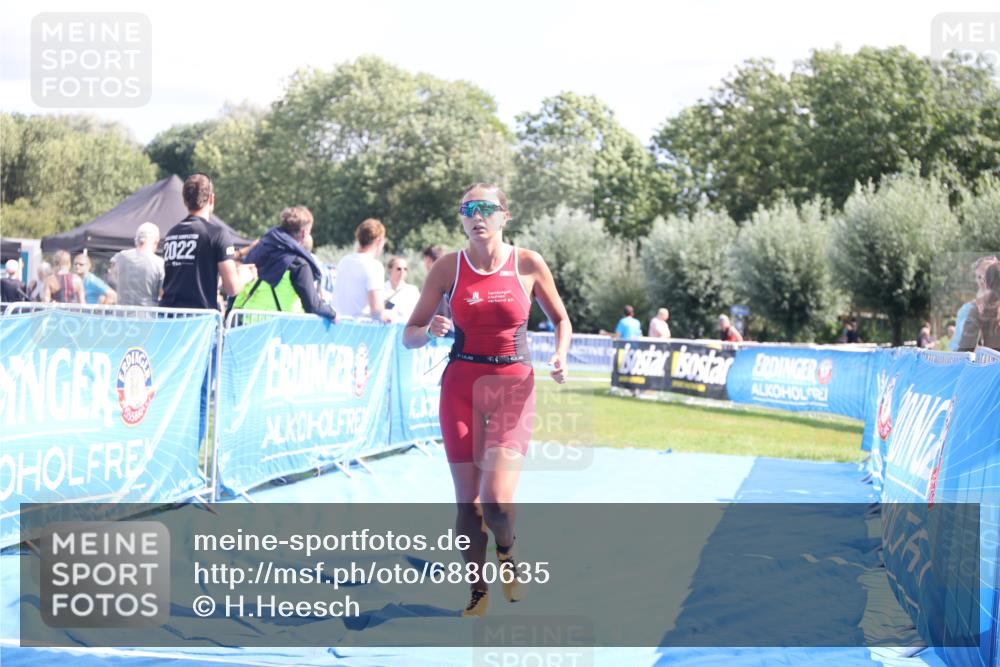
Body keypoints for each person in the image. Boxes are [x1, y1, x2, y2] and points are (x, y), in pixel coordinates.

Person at [402, 183, 571, 617]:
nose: (478, 217)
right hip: (461, 387)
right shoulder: (447, 268)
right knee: (468, 504)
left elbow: (561, 319)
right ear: (461, 218)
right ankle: (477, 590)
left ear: (504, 216)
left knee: (496, 499)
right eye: (468, 210)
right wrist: (429, 332)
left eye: (486, 209)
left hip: (513, 385)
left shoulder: (528, 263)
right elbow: (410, 334)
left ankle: (508, 554)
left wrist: (559, 353)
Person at [160, 173, 250, 310]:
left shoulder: (171, 234)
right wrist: (246, 276)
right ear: (211, 199)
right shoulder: (217, 234)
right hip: (198, 322)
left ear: (185, 200)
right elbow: (232, 289)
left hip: (168, 320)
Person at [231, 206, 336, 320]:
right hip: (280, 329)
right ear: (305, 233)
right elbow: (313, 305)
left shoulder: (257, 251)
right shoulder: (298, 264)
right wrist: (333, 314)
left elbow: (235, 289)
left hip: (246, 325)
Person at [332, 218, 392, 321]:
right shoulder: (374, 266)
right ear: (379, 240)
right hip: (359, 330)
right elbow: (376, 310)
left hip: (338, 327)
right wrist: (388, 315)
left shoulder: (344, 261)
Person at [109, 222, 164, 307]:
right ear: (156, 240)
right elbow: (162, 293)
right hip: (147, 316)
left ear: (137, 239)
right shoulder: (159, 263)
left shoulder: (120, 257)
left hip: (121, 315)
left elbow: (113, 276)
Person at [951, 256, 998, 351]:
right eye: (978, 277)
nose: (981, 280)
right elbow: (956, 346)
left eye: (985, 275)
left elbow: (964, 352)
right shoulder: (968, 309)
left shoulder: (976, 310)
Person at [383, 256, 420, 322]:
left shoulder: (412, 291)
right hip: (385, 329)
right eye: (399, 269)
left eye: (405, 269)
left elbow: (418, 313)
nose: (402, 271)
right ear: (390, 269)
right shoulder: (381, 289)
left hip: (404, 329)